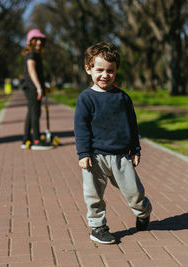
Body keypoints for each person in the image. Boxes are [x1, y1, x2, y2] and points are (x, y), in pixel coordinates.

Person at [74, 42, 152, 244]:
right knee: (94, 196)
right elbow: (81, 128)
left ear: (116, 71)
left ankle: (143, 213)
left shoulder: (122, 98)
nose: (105, 75)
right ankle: (97, 227)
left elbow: (132, 126)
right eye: (99, 70)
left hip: (120, 156)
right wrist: (83, 154)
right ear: (88, 69)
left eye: (110, 71)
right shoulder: (86, 99)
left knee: (135, 194)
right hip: (95, 157)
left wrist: (135, 149)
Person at [21, 29, 52, 150]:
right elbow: (31, 70)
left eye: (41, 40)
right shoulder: (32, 54)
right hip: (32, 87)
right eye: (36, 40)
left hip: (31, 86)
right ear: (31, 41)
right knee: (35, 113)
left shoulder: (33, 54)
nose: (39, 42)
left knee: (31, 112)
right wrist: (39, 87)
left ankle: (26, 139)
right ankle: (36, 140)